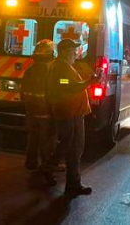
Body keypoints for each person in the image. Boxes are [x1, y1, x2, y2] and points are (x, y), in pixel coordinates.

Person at [44, 38, 99, 197]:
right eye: (73, 50)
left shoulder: (63, 66)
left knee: (69, 146)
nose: (76, 53)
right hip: (69, 113)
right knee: (74, 148)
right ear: (64, 52)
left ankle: (53, 170)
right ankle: (70, 183)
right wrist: (91, 81)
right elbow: (68, 86)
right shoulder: (61, 67)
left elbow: (66, 83)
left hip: (70, 112)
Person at [20, 39, 56, 171]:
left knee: (33, 138)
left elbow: (22, 93)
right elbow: (55, 90)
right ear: (50, 54)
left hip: (31, 112)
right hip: (46, 112)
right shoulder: (51, 71)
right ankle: (47, 165)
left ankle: (31, 162)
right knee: (48, 140)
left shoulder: (29, 71)